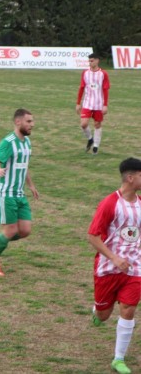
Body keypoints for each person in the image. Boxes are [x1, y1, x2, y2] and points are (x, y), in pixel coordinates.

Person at [88, 157, 141, 374]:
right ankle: (97, 310)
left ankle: (118, 359)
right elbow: (92, 236)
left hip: (135, 268)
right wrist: (115, 259)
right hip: (108, 269)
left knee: (128, 309)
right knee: (104, 315)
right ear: (131, 178)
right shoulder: (110, 203)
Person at [0, 108, 40, 277]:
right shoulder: (8, 142)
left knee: (24, 231)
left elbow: (24, 165)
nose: (32, 124)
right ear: (18, 122)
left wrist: (30, 185)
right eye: (28, 121)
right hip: (5, 193)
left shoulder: (27, 142)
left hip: (19, 194)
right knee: (10, 231)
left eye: (32, 121)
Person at [77, 52, 110, 155]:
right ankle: (90, 139)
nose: (90, 63)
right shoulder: (85, 73)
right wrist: (78, 103)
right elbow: (82, 87)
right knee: (83, 124)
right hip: (87, 103)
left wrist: (105, 105)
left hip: (98, 104)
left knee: (97, 124)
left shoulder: (103, 74)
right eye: (89, 61)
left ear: (97, 60)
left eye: (92, 61)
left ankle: (95, 146)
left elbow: (105, 90)